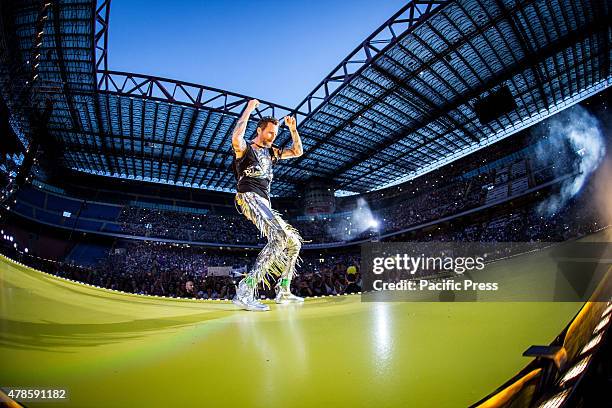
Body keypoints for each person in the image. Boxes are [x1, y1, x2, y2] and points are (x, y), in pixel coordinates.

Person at [230, 98, 305, 311]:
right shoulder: (246, 149)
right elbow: (236, 136)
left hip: (264, 201)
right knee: (280, 237)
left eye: (275, 133)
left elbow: (297, 151)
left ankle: (283, 290)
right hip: (248, 196)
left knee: (294, 244)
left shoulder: (272, 153)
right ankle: (246, 289)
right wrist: (249, 108)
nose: (273, 136)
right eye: (270, 133)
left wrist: (293, 130)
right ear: (259, 131)